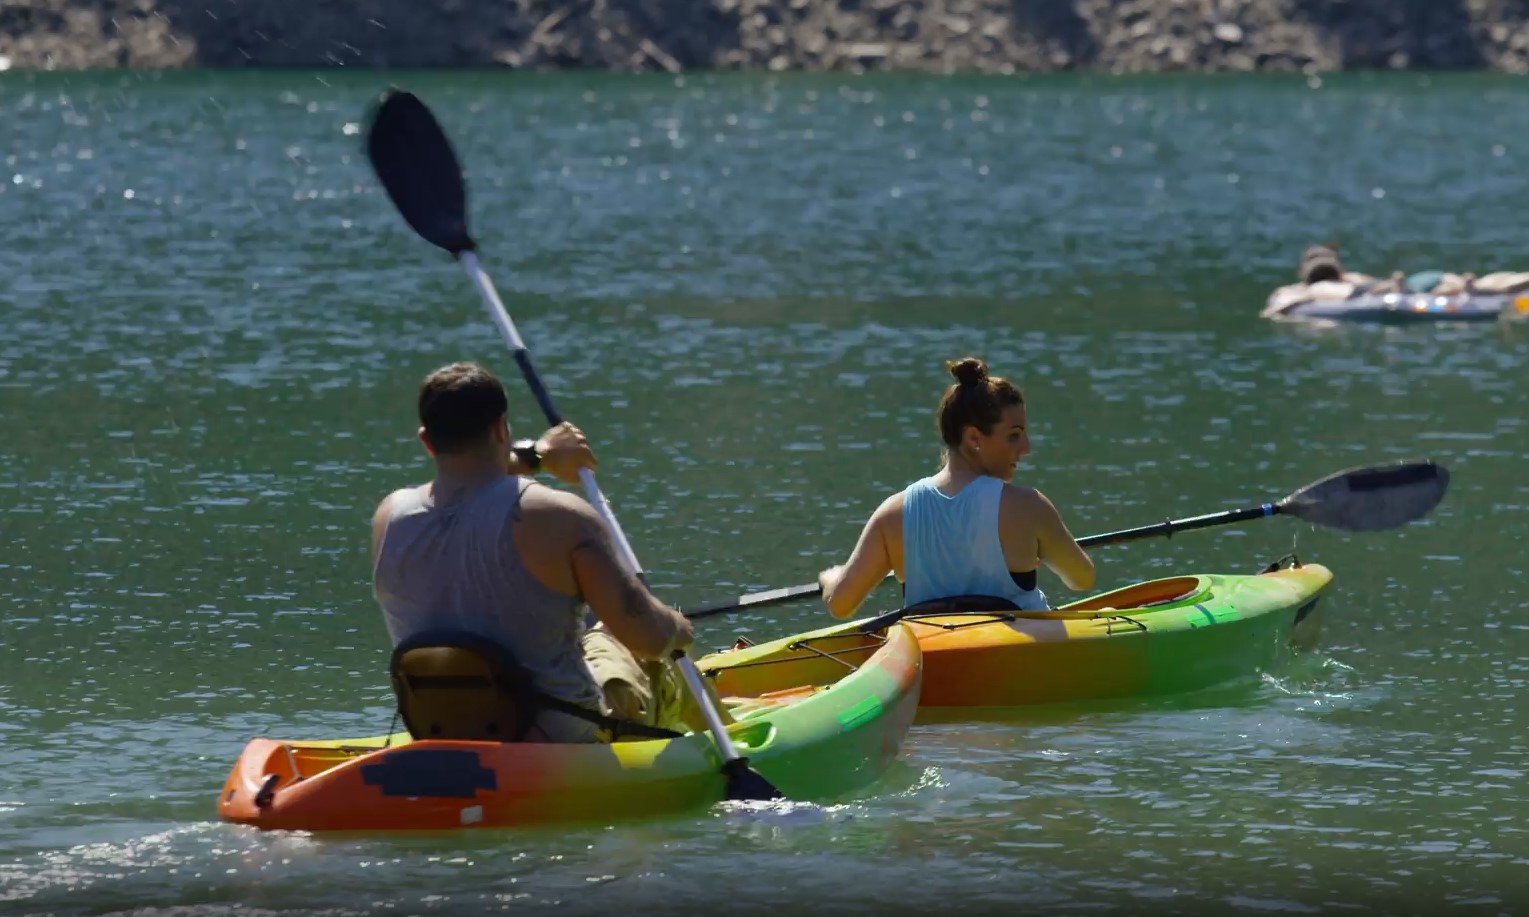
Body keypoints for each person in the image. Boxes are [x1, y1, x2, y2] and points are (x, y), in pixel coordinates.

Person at [370, 361, 697, 743]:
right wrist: (678, 627)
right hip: (564, 737)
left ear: (426, 440)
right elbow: (649, 638)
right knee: (643, 639)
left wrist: (538, 457)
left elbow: (471, 483)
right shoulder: (562, 516)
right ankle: (730, 737)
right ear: (501, 429)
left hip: (444, 732)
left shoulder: (389, 516)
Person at [816, 357, 1096, 619]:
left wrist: (831, 578)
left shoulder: (892, 514)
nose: (1026, 449)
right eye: (1014, 436)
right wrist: (1040, 548)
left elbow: (840, 605)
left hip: (934, 657)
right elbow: (1082, 579)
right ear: (974, 437)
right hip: (1022, 656)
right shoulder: (1028, 506)